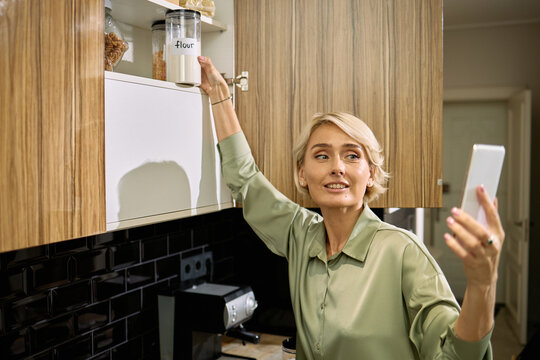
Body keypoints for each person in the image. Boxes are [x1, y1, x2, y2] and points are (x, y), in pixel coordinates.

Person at [197, 56, 504, 360]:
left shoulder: (402, 252)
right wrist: (220, 96)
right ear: (302, 172)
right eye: (321, 155)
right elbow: (245, 179)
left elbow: (455, 354)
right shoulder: (300, 235)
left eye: (352, 155)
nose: (337, 167)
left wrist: (481, 284)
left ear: (371, 173)